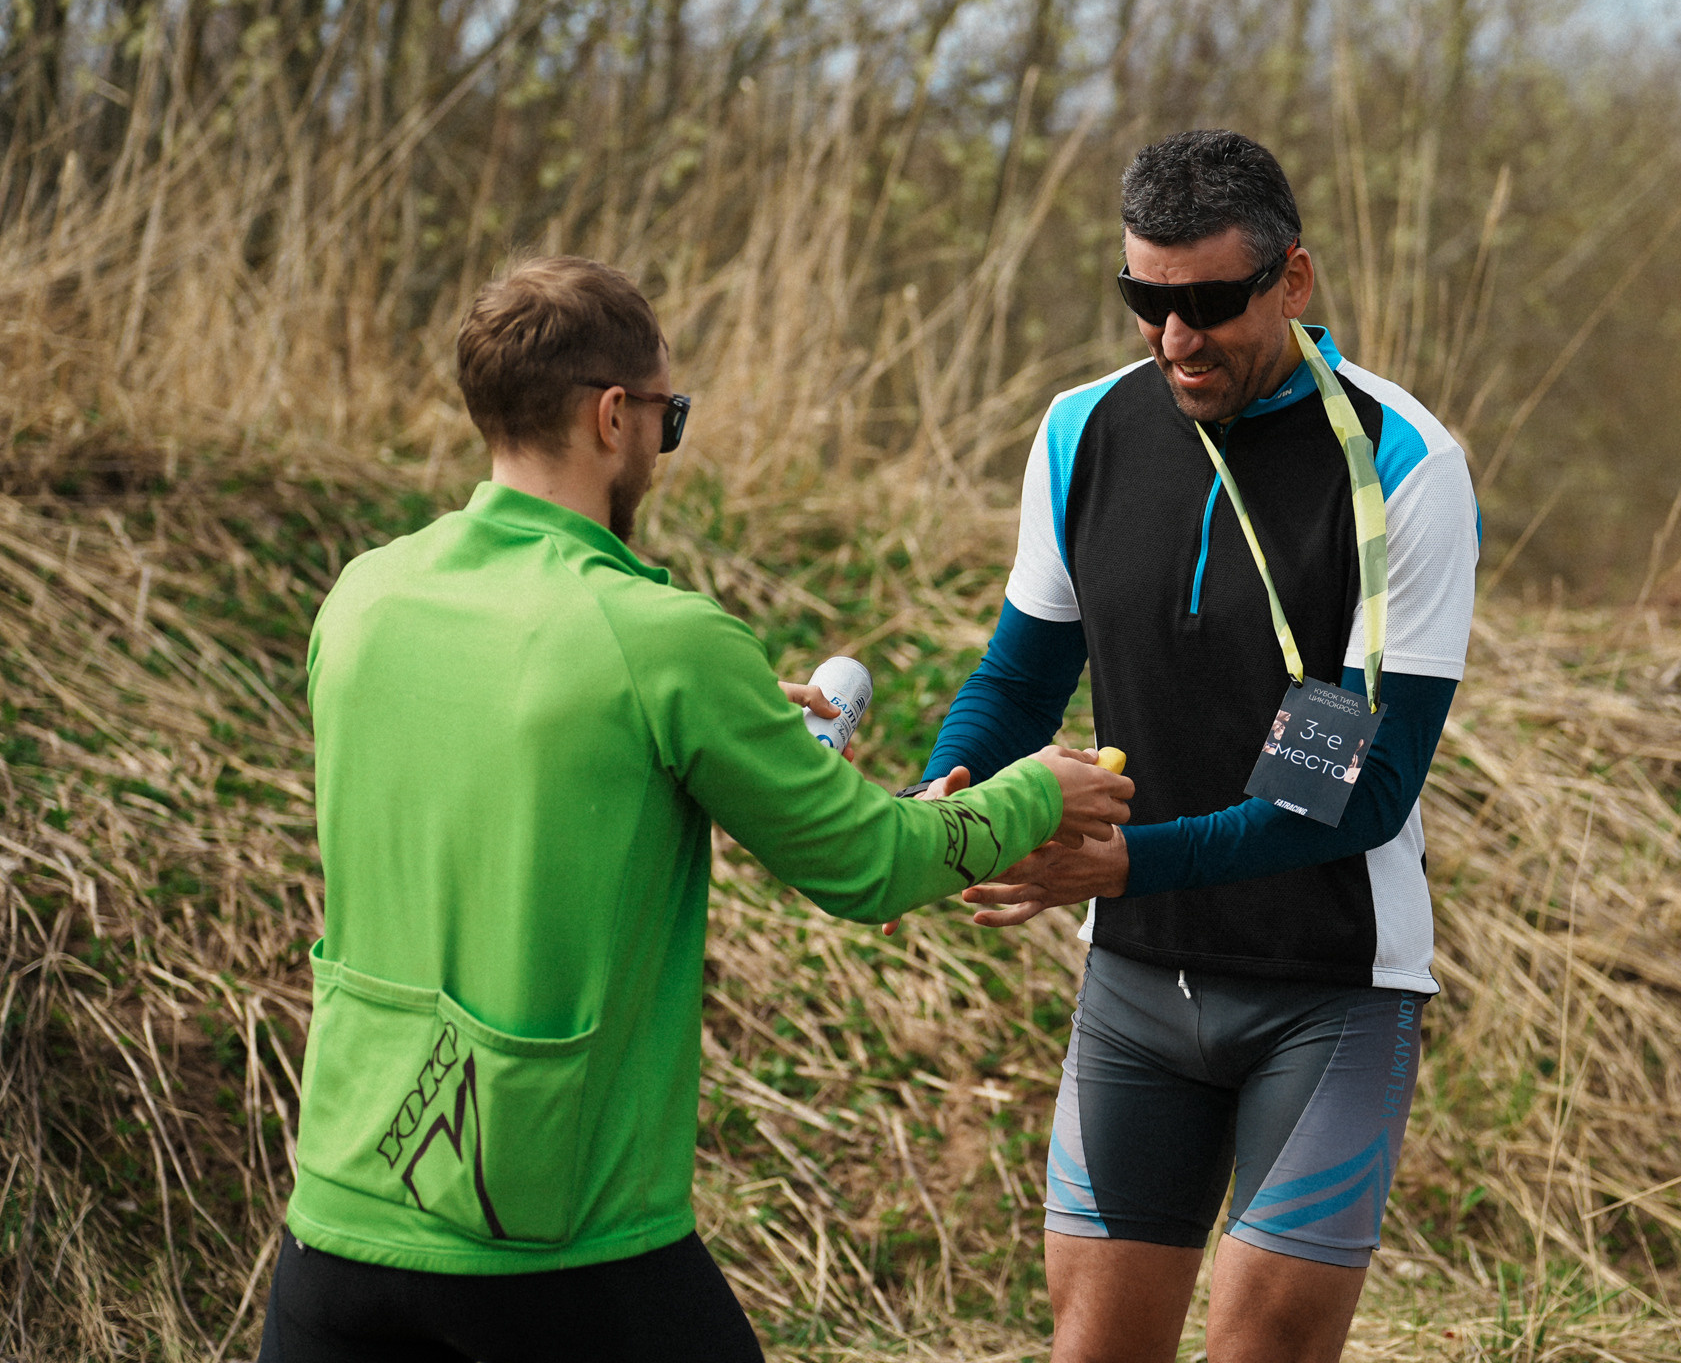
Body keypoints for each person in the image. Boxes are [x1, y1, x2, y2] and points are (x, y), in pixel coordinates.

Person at [257, 256, 1134, 1363]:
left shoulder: (367, 595)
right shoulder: (660, 637)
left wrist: (691, 725)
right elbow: (869, 864)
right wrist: (1032, 792)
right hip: (553, 1230)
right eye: (670, 418)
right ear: (613, 416)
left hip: (340, 1209)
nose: (663, 443)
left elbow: (485, 737)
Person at [911, 131, 1478, 1363]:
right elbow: (1021, 676)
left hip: (1328, 991)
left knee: (1257, 1348)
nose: (1175, 341)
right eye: (1144, 303)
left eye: (1210, 304)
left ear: (1293, 278)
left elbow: (1358, 784)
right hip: (1136, 984)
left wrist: (1127, 865)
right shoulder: (1081, 431)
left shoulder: (1398, 465)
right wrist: (939, 811)